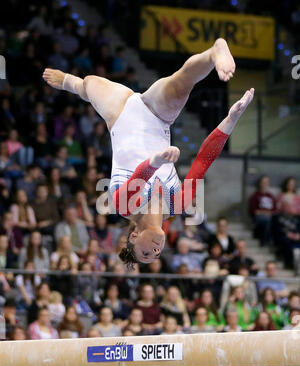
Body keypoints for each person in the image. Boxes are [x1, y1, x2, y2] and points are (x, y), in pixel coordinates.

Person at [43, 39, 254, 267]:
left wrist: (156, 161)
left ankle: (69, 82)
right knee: (181, 83)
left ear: (133, 236)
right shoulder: (178, 204)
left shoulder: (123, 207)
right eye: (156, 255)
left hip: (119, 114)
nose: (156, 251)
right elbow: (203, 161)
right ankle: (215, 51)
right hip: (157, 116)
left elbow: (139, 177)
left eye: (146, 254)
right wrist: (231, 120)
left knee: (89, 83)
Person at [248, 175, 276, 246]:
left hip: (270, 216)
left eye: (266, 182)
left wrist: (269, 213)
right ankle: (265, 240)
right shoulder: (255, 196)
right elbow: (253, 210)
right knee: (268, 220)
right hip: (259, 217)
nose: (265, 184)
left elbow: (275, 209)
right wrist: (265, 212)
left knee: (273, 219)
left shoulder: (271, 196)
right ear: (260, 183)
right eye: (263, 182)